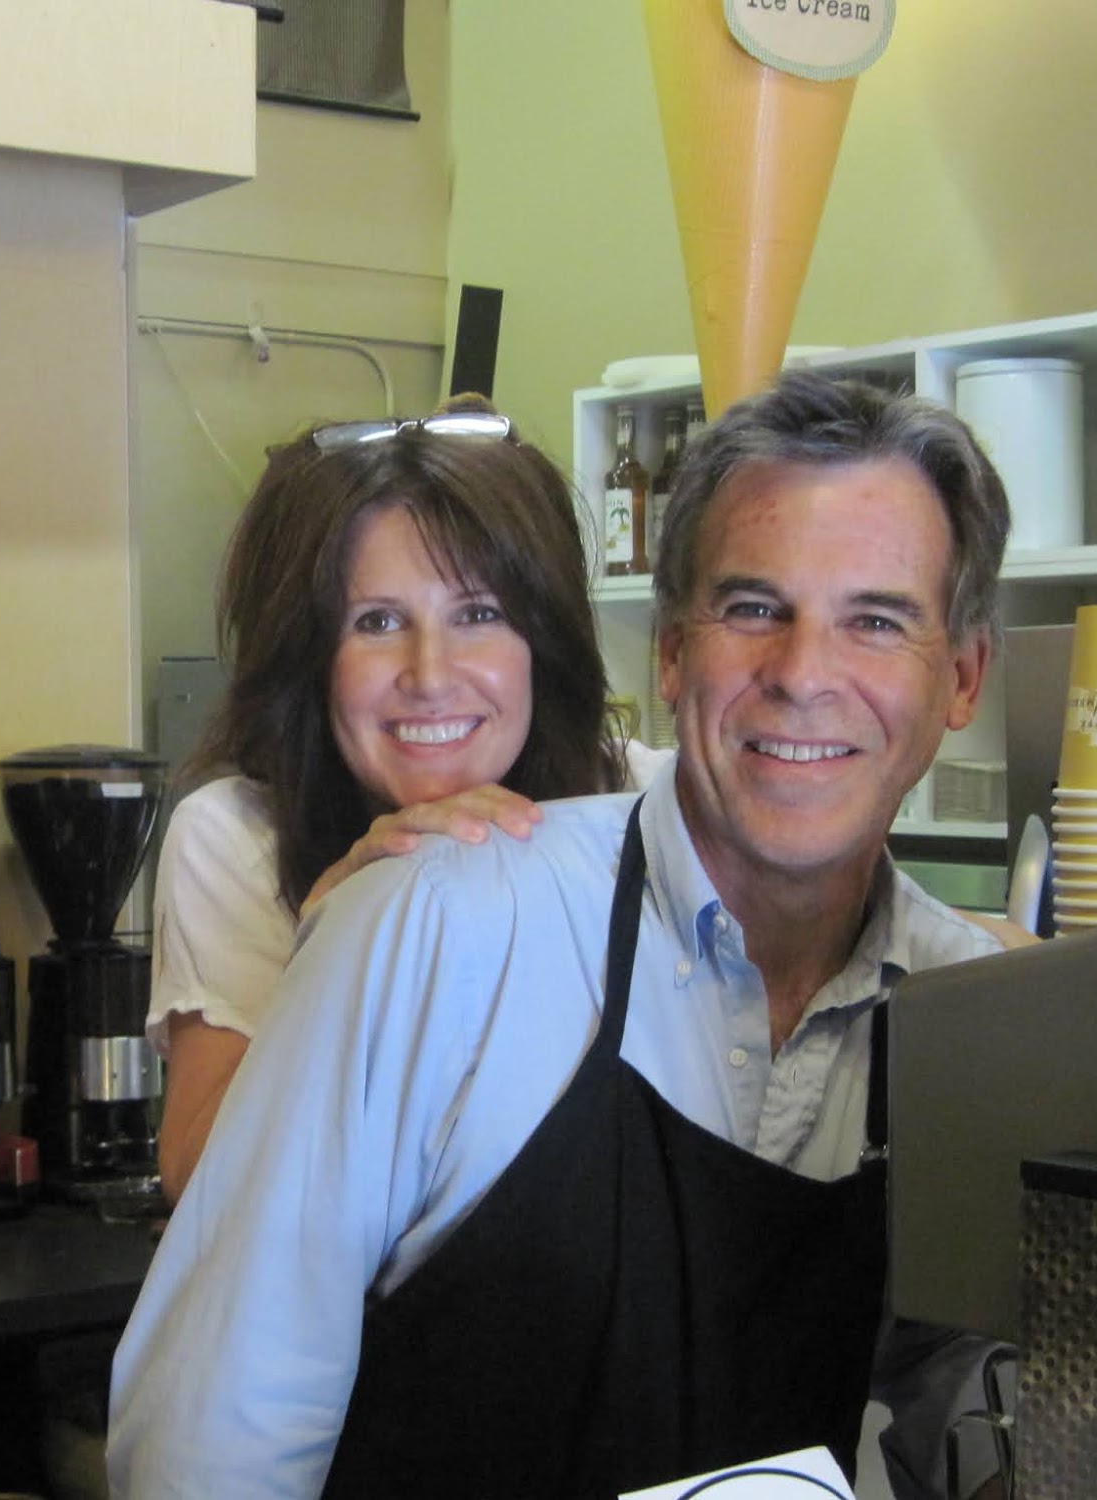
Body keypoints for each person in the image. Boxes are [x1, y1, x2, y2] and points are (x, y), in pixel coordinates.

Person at [109, 371, 1030, 1500]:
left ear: (963, 678)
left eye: (875, 621)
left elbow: (970, 1416)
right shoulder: (427, 916)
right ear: (670, 653)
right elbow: (209, 1451)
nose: (801, 675)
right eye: (752, 609)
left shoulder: (968, 1020)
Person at [147, 401, 629, 1202]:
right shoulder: (236, 840)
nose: (430, 675)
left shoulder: (639, 808)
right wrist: (336, 951)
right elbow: (197, 1185)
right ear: (308, 657)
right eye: (376, 622)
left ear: (544, 642)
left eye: (478, 614)